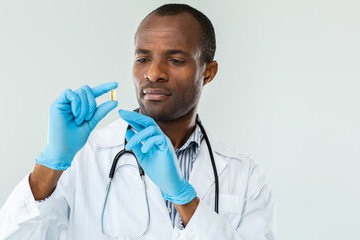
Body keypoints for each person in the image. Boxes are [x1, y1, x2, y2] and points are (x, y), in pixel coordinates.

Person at [0, 3, 275, 240]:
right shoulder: (86, 157)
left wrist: (182, 196)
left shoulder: (246, 175)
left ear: (208, 72)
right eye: (143, 58)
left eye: (176, 60)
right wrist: (50, 163)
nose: (154, 73)